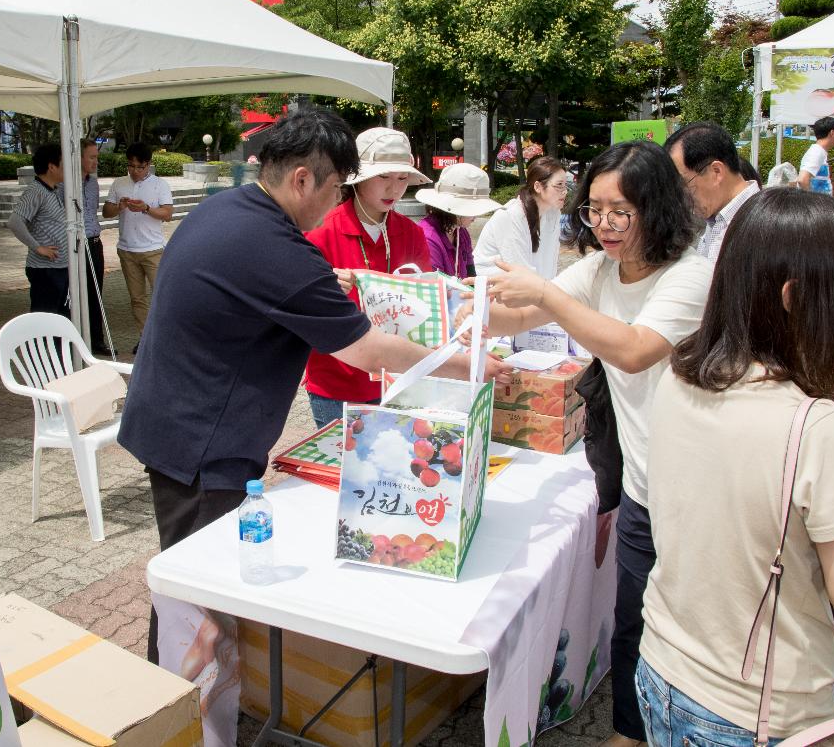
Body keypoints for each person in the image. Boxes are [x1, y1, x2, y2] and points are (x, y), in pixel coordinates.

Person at [117, 109, 511, 664]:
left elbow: (266, 283)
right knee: (193, 584)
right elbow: (365, 348)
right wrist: (465, 362)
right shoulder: (274, 244)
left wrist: (334, 278)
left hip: (176, 417)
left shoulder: (230, 210)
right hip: (201, 441)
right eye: (335, 189)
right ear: (303, 178)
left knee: (195, 575)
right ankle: (172, 701)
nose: (335, 203)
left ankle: (196, 689)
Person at [469, 141, 711, 747]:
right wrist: (455, 301)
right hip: (641, 486)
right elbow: (516, 320)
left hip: (702, 492)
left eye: (620, 211)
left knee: (695, 629)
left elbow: (632, 347)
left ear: (657, 209)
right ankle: (631, 732)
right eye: (594, 210)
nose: (604, 224)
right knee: (633, 620)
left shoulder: (692, 275)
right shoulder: (600, 270)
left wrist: (545, 294)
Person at [638, 189, 834, 746]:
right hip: (755, 711)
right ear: (796, 298)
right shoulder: (815, 425)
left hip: (661, 666)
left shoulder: (680, 374)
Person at [303, 127, 431, 427]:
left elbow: (427, 300)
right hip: (337, 383)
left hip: (399, 380)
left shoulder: (411, 232)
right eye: (384, 177)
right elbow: (298, 309)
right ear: (358, 179)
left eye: (402, 178)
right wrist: (322, 288)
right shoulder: (321, 231)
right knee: (340, 471)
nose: (395, 189)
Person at [103, 143, 173, 349]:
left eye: (139, 167)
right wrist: (119, 206)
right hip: (127, 250)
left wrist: (146, 208)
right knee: (137, 298)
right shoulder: (119, 183)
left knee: (161, 295)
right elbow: (106, 212)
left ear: (148, 164)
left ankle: (166, 337)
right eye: (130, 166)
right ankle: (145, 339)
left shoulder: (160, 185)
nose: (134, 171)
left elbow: (167, 214)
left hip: (153, 250)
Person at [665, 121, 760, 265]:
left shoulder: (765, 224)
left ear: (716, 172)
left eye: (683, 183)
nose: (681, 196)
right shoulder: (715, 220)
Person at [474, 156, 568, 279]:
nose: (565, 191)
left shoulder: (553, 213)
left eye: (565, 185)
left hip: (529, 287)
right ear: (538, 186)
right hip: (493, 289)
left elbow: (551, 261)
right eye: (559, 185)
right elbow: (521, 274)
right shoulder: (511, 215)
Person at [8, 143, 68, 317]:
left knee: (60, 316)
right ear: (51, 166)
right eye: (63, 164)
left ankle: (57, 345)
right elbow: (14, 221)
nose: (67, 169)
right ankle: (44, 345)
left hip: (60, 267)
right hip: (45, 271)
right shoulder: (36, 191)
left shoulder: (54, 190)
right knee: (45, 317)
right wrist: (38, 247)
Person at [415, 162, 502, 277]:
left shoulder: (460, 231)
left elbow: (471, 275)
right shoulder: (428, 238)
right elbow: (435, 286)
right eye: (473, 209)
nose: (476, 216)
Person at [79, 139, 109, 354]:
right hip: (74, 245)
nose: (95, 161)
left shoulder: (92, 183)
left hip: (94, 242)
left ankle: (96, 341)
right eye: (91, 157)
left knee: (95, 293)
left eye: (96, 157)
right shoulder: (63, 185)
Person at [797, 116, 834, 194]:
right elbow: (802, 180)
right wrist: (812, 202)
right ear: (832, 133)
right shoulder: (816, 152)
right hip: (815, 204)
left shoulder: (819, 151)